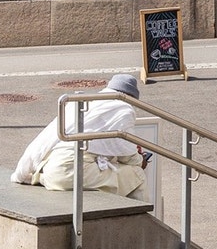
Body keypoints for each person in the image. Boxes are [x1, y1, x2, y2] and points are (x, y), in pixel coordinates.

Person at [12, 74, 148, 198]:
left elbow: (42, 142)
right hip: (72, 173)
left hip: (50, 172)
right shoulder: (123, 109)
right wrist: (141, 160)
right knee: (137, 175)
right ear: (131, 98)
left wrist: (20, 175)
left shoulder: (85, 102)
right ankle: (143, 222)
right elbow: (128, 156)